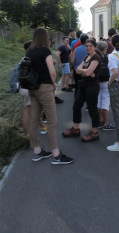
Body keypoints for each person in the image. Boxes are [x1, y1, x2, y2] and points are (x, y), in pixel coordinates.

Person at [26, 27, 74, 164]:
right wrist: (53, 85)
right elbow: (52, 72)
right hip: (44, 88)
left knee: (34, 121)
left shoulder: (30, 51)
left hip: (32, 88)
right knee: (52, 121)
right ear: (45, 38)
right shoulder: (45, 51)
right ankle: (56, 154)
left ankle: (37, 152)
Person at [62, 39, 102, 141]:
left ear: (95, 47)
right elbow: (78, 70)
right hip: (83, 85)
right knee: (76, 106)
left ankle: (94, 132)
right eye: (87, 46)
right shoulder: (86, 57)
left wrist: (84, 71)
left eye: (91, 46)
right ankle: (75, 129)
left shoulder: (96, 58)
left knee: (92, 109)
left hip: (92, 86)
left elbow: (87, 73)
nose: (88, 48)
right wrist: (85, 71)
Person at [19, 40, 47, 136]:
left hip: (24, 86)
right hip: (30, 86)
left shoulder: (23, 59)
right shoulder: (32, 59)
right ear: (28, 49)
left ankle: (43, 126)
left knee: (34, 108)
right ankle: (27, 134)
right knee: (28, 109)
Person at [97, 41, 116, 130]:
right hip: (106, 82)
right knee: (105, 102)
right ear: (105, 49)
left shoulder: (96, 57)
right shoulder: (109, 57)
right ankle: (106, 123)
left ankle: (99, 121)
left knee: (98, 101)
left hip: (97, 81)